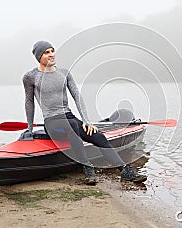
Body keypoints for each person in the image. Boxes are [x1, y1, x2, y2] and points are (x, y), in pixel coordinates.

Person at [22, 40, 146, 185]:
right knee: (72, 126)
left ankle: (125, 171)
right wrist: (29, 128)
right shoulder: (30, 77)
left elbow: (77, 96)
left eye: (52, 51)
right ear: (39, 57)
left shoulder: (64, 73)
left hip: (69, 118)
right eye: (46, 52)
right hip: (52, 122)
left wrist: (86, 121)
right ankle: (87, 167)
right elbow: (29, 102)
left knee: (98, 136)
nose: (51, 55)